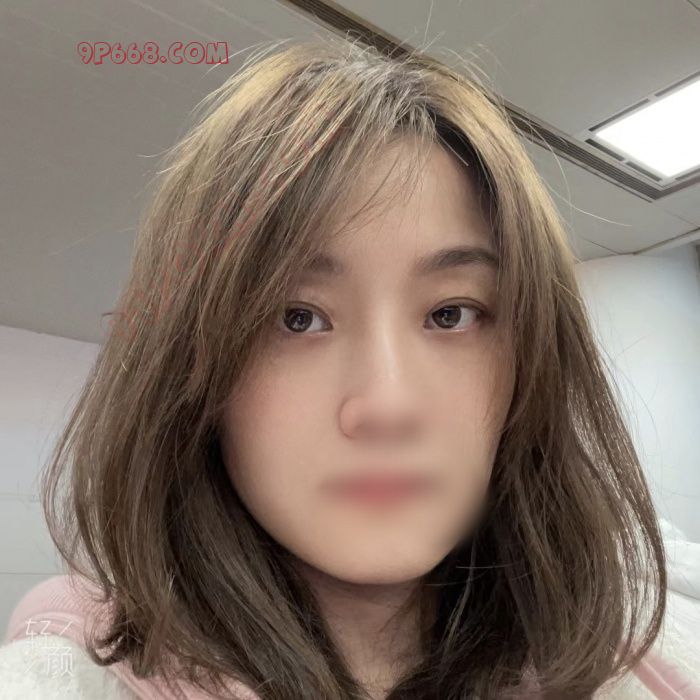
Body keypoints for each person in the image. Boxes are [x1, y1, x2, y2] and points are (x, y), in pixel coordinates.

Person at [0, 35, 689, 699]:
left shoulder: (650, 645)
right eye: (296, 317)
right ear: (189, 369)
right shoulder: (69, 676)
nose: (387, 406)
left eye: (450, 314)